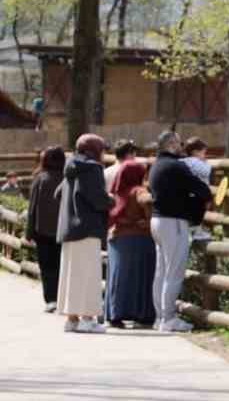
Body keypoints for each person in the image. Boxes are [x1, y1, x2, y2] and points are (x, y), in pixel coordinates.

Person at [149, 130, 214, 333]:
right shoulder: (175, 166)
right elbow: (200, 188)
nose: (182, 146)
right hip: (173, 222)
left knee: (160, 273)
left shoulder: (156, 165)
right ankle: (168, 319)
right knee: (174, 272)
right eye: (178, 143)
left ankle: (159, 316)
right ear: (170, 145)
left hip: (157, 221)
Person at [58, 134, 113, 334]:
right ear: (94, 150)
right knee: (89, 274)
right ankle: (88, 319)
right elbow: (97, 199)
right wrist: (111, 200)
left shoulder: (70, 167)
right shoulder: (92, 168)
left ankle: (72, 319)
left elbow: (58, 194)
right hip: (87, 227)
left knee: (72, 275)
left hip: (69, 229)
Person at [105, 142, 157, 328]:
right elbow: (148, 201)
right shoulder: (138, 190)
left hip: (116, 239)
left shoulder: (116, 193)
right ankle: (141, 314)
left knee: (118, 278)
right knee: (141, 277)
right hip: (138, 239)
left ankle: (115, 313)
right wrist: (149, 219)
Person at [24, 146, 66, 313]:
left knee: (47, 267)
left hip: (43, 231)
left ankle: (51, 299)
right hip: (63, 230)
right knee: (61, 265)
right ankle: (62, 297)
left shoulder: (40, 179)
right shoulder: (67, 178)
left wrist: (29, 232)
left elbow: (32, 208)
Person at [183, 137, 214, 242]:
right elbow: (206, 172)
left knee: (191, 215)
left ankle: (194, 231)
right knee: (198, 213)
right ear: (195, 152)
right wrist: (206, 163)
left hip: (187, 193)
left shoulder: (183, 161)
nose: (204, 156)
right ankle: (196, 232)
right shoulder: (196, 162)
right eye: (203, 153)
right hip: (198, 194)